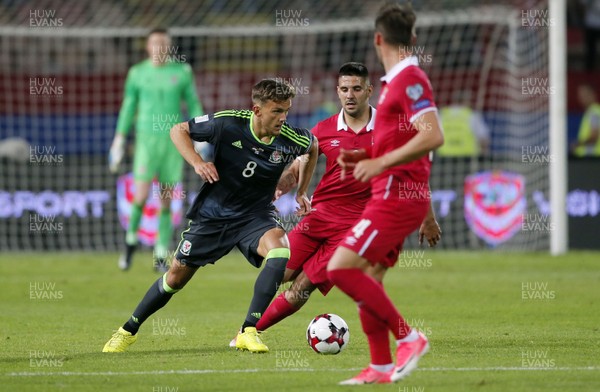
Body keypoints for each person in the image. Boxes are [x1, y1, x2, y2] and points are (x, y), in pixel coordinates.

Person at [103, 79, 319, 353]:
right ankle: (128, 330)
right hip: (214, 215)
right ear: (257, 109)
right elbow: (178, 130)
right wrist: (197, 162)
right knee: (175, 278)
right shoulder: (228, 123)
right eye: (277, 111)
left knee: (280, 251)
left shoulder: (290, 138)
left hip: (255, 215)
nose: (283, 118)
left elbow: (313, 147)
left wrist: (301, 191)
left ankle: (248, 330)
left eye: (286, 110)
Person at [233, 62, 440, 341]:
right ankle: (250, 329)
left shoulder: (391, 128)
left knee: (302, 287)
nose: (350, 95)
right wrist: (276, 189)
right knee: (280, 272)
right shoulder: (324, 128)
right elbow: (297, 169)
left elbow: (416, 171)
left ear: (369, 90)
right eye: (344, 89)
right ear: (338, 92)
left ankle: (248, 334)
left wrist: (427, 217)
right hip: (319, 216)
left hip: (356, 226)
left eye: (356, 88)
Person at [328, 2, 444, 385]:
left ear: (378, 38)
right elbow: (404, 139)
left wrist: (379, 164)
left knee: (340, 268)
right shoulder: (395, 81)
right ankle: (379, 366)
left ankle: (409, 337)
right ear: (411, 37)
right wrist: (366, 155)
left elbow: (432, 135)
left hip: (397, 196)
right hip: (391, 192)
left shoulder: (411, 78)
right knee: (368, 277)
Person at [109, 28, 204, 272]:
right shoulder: (138, 73)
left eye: (164, 43)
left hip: (173, 142)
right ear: (148, 47)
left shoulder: (182, 72)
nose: (160, 47)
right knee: (139, 196)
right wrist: (119, 139)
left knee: (166, 199)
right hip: (146, 142)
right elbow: (128, 107)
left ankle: (160, 255)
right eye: (155, 43)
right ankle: (130, 243)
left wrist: (202, 135)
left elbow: (192, 103)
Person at [571, 84, 600, 157]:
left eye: (585, 94)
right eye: (580, 95)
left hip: (592, 158)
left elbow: (594, 137)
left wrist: (578, 144)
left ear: (592, 94)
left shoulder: (594, 112)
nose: (581, 98)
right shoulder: (589, 112)